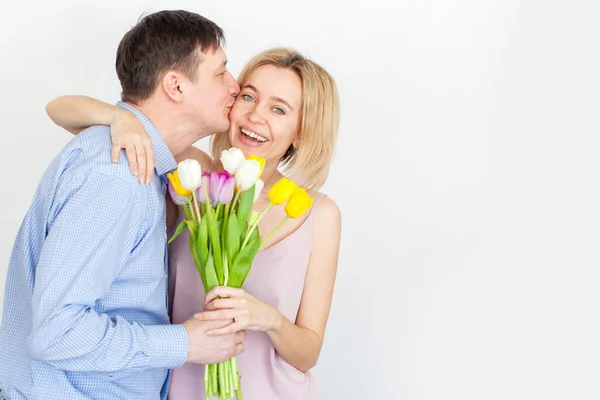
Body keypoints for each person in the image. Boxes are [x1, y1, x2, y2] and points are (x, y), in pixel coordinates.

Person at [46, 47, 342, 400]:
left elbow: (308, 352)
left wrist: (269, 319)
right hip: (180, 390)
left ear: (301, 132)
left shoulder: (317, 213)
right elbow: (58, 109)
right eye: (249, 96)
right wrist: (121, 119)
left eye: (278, 109)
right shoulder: (193, 173)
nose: (254, 116)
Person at [0, 10, 246, 400]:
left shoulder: (142, 161)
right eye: (221, 72)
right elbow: (56, 332)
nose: (235, 86)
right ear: (176, 86)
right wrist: (184, 343)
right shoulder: (118, 175)